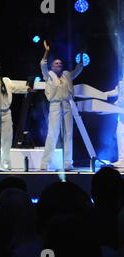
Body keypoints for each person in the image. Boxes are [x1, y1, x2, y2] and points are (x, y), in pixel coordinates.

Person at [40, 41, 84, 171]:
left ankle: (67, 162)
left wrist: (81, 57)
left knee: (68, 134)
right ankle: (45, 162)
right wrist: (46, 52)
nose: (58, 65)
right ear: (52, 66)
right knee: (53, 133)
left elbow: (78, 69)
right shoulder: (49, 76)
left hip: (66, 106)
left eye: (60, 63)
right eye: (56, 63)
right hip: (54, 106)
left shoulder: (67, 75)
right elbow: (42, 65)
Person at [104, 79, 124, 167]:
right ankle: (122, 159)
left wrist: (118, 103)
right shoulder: (122, 81)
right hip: (121, 111)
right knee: (120, 134)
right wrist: (104, 94)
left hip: (121, 108)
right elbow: (117, 91)